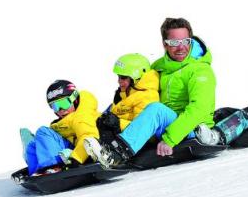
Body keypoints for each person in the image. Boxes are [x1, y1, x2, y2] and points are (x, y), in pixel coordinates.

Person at [84, 18, 217, 168]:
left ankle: (116, 154)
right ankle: (96, 150)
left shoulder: (201, 71)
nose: (180, 47)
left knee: (156, 110)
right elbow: (140, 90)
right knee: (107, 117)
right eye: (174, 43)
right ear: (164, 44)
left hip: (192, 130)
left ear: (190, 41)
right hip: (163, 126)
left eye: (185, 41)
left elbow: (199, 109)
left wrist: (170, 139)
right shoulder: (160, 66)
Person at [21, 80, 101, 175]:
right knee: (33, 145)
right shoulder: (66, 119)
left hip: (80, 153)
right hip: (69, 150)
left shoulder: (81, 116)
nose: (61, 110)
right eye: (56, 106)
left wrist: (76, 158)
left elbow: (89, 137)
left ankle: (51, 168)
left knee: (43, 132)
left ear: (74, 99)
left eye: (64, 103)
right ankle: (36, 173)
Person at [95, 53, 160, 144]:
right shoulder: (124, 94)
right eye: (118, 77)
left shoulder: (147, 96)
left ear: (137, 77)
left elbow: (143, 130)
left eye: (123, 77)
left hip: (133, 146)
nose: (119, 81)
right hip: (118, 139)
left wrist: (117, 124)